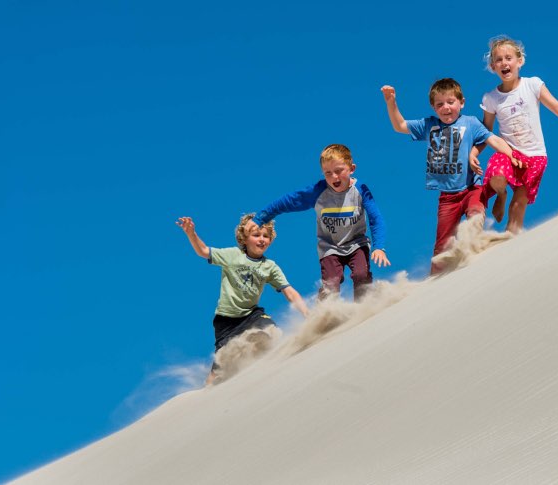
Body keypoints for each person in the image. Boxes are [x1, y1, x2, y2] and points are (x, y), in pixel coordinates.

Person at [381, 78, 520, 274]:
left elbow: (493, 139)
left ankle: (476, 256)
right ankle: (435, 282)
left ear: (461, 102)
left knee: (474, 216)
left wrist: (511, 155)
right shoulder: (429, 125)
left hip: (472, 188)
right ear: (433, 107)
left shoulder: (470, 123)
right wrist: (391, 102)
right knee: (442, 246)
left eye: (451, 102)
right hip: (447, 197)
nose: (446, 107)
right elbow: (400, 125)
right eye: (440, 104)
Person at [480, 35, 558, 234]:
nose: (504, 63)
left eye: (508, 58)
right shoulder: (491, 98)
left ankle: (510, 242)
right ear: (493, 67)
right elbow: (486, 131)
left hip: (534, 155)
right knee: (498, 178)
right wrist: (473, 154)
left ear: (519, 61)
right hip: (509, 153)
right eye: (499, 60)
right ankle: (501, 194)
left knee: (518, 205)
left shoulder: (533, 85)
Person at [243, 144, 390, 300]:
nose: (334, 177)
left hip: (357, 243)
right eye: (328, 173)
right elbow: (288, 201)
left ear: (352, 168)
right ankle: (325, 314)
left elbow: (376, 219)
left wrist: (379, 247)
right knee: (331, 285)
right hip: (330, 248)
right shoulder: (318, 192)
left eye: (339, 171)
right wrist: (260, 218)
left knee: (361, 275)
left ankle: (365, 309)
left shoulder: (360, 191)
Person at [176, 214, 308, 385]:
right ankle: (207, 395)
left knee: (271, 331)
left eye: (265, 236)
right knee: (217, 373)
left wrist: (306, 312)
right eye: (256, 235)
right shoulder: (232, 255)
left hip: (251, 314)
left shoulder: (270, 267)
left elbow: (289, 291)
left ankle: (259, 370)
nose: (261, 239)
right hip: (225, 322)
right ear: (244, 239)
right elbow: (203, 251)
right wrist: (191, 233)